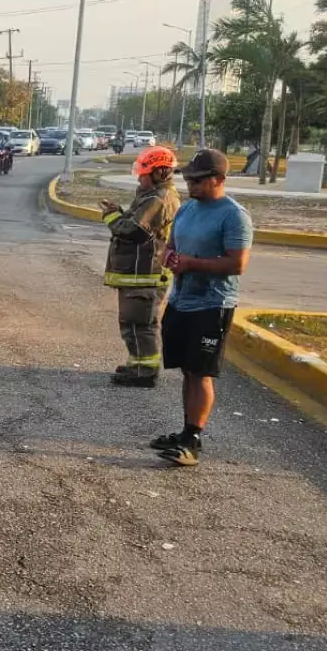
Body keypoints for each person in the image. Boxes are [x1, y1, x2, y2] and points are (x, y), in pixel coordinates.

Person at [152, 149, 253, 467]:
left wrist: (191, 263)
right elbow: (171, 247)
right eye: (187, 178)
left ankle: (193, 440)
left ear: (219, 179)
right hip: (181, 299)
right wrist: (168, 258)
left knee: (201, 372)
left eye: (197, 179)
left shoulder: (234, 215)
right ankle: (185, 431)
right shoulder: (186, 210)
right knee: (187, 369)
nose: (190, 184)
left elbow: (237, 264)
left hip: (212, 304)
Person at [99, 146, 181, 388]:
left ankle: (145, 371)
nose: (139, 177)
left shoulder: (158, 198)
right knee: (132, 322)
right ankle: (138, 364)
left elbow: (133, 230)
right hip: (138, 274)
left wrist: (112, 217)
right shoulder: (151, 195)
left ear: (159, 173)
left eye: (143, 173)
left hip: (145, 274)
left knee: (140, 324)